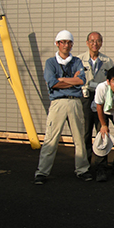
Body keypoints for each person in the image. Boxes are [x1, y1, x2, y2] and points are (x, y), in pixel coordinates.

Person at [34, 30, 92, 184]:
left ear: (72, 44)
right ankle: (42, 172)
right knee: (51, 139)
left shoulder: (77, 61)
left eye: (69, 42)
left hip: (75, 101)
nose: (66, 45)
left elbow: (81, 81)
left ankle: (82, 169)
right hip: (58, 103)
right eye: (63, 42)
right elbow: (52, 83)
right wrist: (72, 79)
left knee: (79, 138)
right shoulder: (50, 62)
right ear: (57, 44)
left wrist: (63, 80)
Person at [78, 31, 114, 164]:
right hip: (85, 97)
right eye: (92, 41)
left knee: (102, 130)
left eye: (98, 41)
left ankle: (101, 166)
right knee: (85, 131)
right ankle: (84, 164)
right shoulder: (79, 60)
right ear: (87, 43)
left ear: (101, 43)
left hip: (101, 98)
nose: (95, 44)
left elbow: (112, 81)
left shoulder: (107, 61)